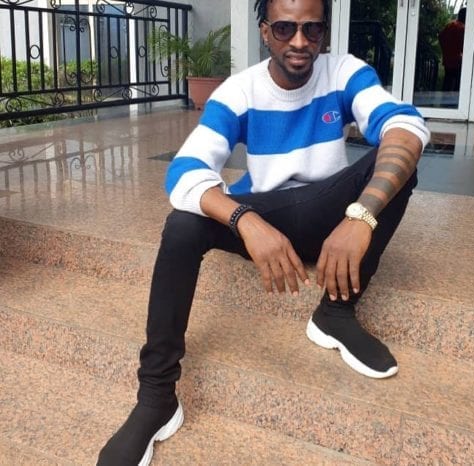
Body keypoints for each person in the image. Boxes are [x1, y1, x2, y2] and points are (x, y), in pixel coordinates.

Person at [97, 0, 429, 464]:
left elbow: (406, 126)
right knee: (182, 225)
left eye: (312, 29)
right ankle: (156, 397)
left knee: (397, 160)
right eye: (285, 28)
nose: (300, 42)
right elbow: (184, 170)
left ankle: (335, 313)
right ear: (264, 31)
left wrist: (361, 217)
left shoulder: (344, 73)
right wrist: (246, 221)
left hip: (329, 212)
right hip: (267, 216)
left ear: (325, 32)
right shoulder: (241, 90)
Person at [438, 7, 466, 92]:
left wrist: (445, 50)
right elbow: (463, 45)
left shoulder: (450, 25)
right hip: (456, 60)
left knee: (447, 81)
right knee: (457, 83)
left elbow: (440, 36)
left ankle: (444, 97)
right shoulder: (462, 28)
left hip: (448, 59)